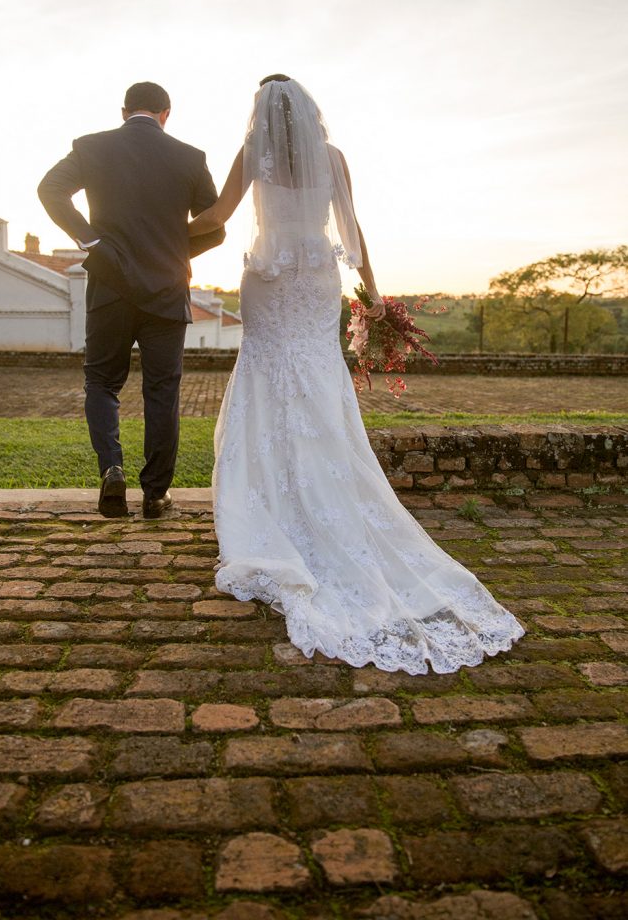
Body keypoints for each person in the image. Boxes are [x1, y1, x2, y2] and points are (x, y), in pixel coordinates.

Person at [188, 74, 525, 673]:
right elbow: (353, 228)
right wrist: (374, 294)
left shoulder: (253, 154)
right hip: (319, 277)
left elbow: (215, 214)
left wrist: (148, 230)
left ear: (263, 114)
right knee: (316, 375)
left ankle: (272, 500)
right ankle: (321, 487)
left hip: (268, 275)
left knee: (267, 375)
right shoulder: (335, 158)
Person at [38, 81, 224, 518]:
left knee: (101, 382)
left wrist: (91, 241)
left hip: (109, 286)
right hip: (166, 288)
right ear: (167, 113)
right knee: (163, 391)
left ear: (124, 112)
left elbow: (50, 190)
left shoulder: (91, 147)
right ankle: (156, 495)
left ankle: (111, 470)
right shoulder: (190, 157)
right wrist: (172, 251)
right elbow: (215, 228)